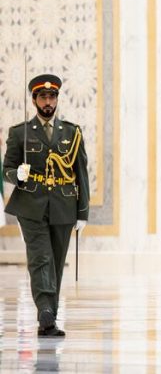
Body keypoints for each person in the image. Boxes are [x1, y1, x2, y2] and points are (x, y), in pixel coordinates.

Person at [2, 74, 90, 337]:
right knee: (40, 259)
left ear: (57, 99)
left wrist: (82, 211)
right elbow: (6, 169)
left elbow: (81, 173)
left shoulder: (72, 133)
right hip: (31, 205)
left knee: (56, 261)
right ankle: (45, 313)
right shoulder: (20, 133)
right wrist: (16, 174)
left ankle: (48, 316)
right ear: (34, 100)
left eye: (52, 97)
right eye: (43, 97)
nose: (48, 101)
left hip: (63, 206)